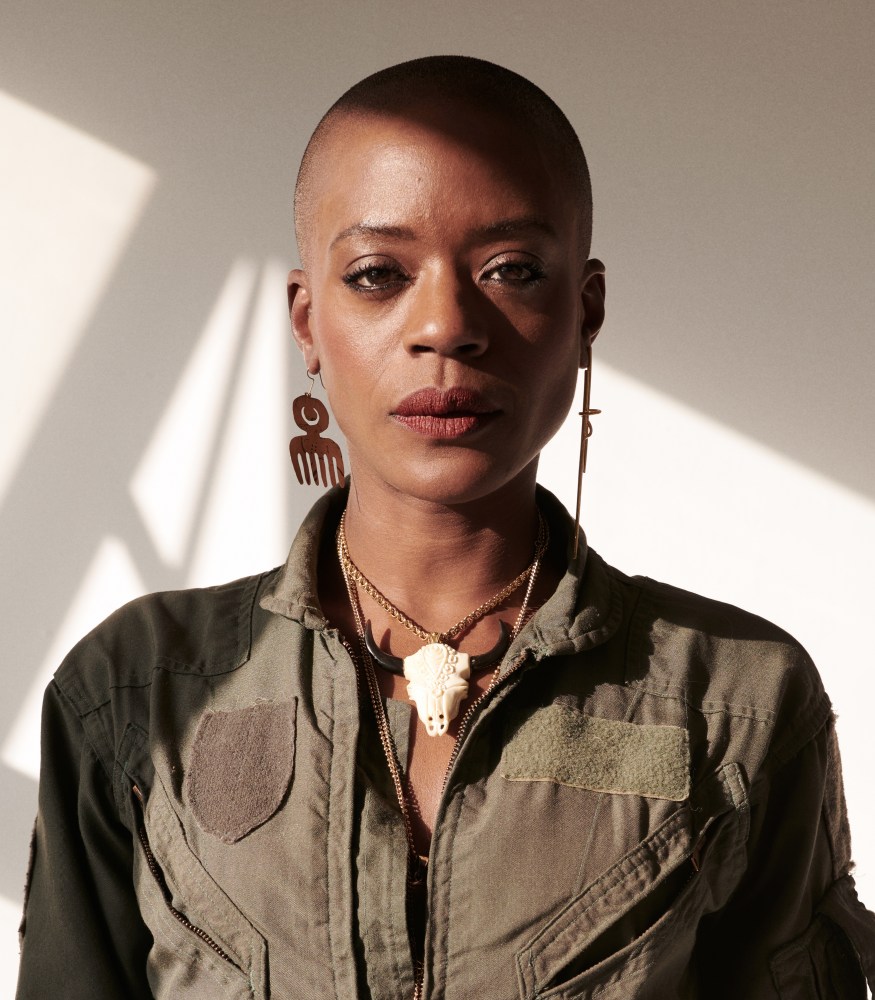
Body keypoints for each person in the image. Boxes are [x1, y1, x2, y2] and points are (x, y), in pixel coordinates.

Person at [16, 55, 875, 1000]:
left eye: (510, 270)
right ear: (307, 321)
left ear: (584, 310)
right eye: (378, 274)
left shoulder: (735, 701)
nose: (446, 326)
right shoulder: (137, 689)